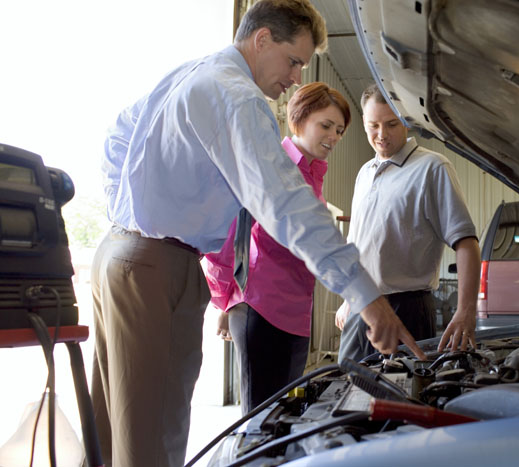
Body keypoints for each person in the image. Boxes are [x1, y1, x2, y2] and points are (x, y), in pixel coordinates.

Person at [91, 2, 424, 465]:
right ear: (262, 39)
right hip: (158, 264)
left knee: (108, 434)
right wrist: (367, 297)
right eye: (293, 61)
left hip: (119, 256)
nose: (294, 78)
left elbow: (116, 139)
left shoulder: (192, 74)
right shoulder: (237, 96)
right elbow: (287, 206)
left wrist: (126, 212)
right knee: (150, 443)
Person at [202, 81, 351, 414]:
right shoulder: (271, 164)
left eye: (339, 130)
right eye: (325, 125)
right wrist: (226, 301)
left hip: (296, 311)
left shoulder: (313, 174)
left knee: (284, 415)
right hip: (261, 306)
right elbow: (230, 233)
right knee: (259, 418)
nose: (334, 136)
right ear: (298, 120)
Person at [336, 83, 481, 362]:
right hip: (360, 306)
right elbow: (359, 244)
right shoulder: (364, 173)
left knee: (400, 397)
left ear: (407, 121)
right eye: (373, 125)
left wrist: (466, 311)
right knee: (347, 395)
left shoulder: (432, 168)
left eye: (391, 124)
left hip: (407, 309)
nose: (381, 135)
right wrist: (349, 299)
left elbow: (466, 242)